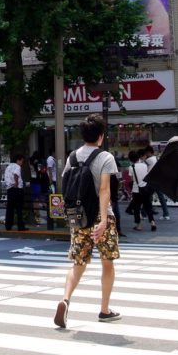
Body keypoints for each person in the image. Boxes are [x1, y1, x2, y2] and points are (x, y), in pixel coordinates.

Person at [54, 114, 121, 328]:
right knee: (107, 262)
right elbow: (104, 190)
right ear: (101, 136)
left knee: (78, 263)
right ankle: (104, 309)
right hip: (101, 217)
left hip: (79, 217)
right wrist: (102, 219)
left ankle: (65, 299)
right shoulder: (105, 158)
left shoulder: (72, 157)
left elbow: (65, 185)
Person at [4, 153, 27, 232]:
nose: (22, 163)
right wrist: (16, 185)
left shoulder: (8, 167)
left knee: (10, 208)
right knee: (19, 208)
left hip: (9, 189)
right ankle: (20, 226)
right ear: (18, 160)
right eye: (22, 161)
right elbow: (16, 175)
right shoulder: (17, 166)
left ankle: (8, 225)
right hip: (16, 189)